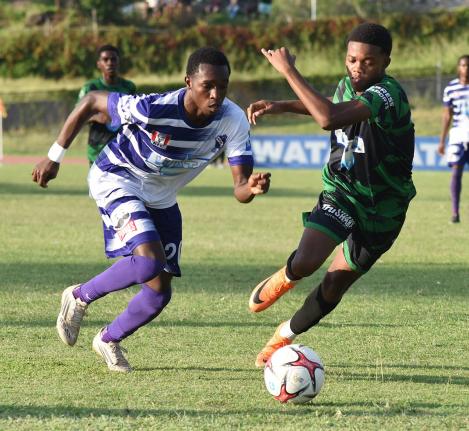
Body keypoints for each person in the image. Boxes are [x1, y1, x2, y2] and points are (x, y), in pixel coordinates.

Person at [32, 47, 271, 373]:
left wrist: (252, 188)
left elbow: (240, 188)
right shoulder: (152, 108)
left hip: (162, 196)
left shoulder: (232, 120)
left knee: (159, 292)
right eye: (208, 86)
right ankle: (78, 297)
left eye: (223, 86)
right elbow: (90, 102)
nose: (216, 94)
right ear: (189, 82)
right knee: (148, 261)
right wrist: (54, 156)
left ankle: (108, 339)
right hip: (116, 178)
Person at [246, 23, 416, 367]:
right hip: (342, 190)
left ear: (385, 61)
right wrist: (281, 105)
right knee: (307, 260)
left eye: (368, 61)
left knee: (334, 285)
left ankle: (284, 335)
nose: (357, 67)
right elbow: (326, 105)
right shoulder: (346, 86)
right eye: (352, 59)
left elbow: (329, 118)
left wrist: (287, 70)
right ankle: (288, 275)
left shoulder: (387, 95)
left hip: (384, 210)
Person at [78, 45, 137, 165]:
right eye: (105, 60)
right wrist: (96, 116)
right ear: (99, 64)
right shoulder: (90, 88)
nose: (110, 63)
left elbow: (136, 114)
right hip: (97, 147)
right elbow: (77, 117)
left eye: (113, 59)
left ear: (118, 62)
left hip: (123, 146)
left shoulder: (129, 87)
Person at [437, 55, 469, 223]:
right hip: (458, 135)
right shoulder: (451, 88)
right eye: (463, 65)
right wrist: (442, 140)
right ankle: (455, 213)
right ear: (458, 68)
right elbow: (447, 115)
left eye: (468, 65)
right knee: (456, 173)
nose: (466, 68)